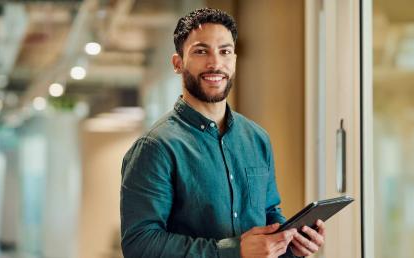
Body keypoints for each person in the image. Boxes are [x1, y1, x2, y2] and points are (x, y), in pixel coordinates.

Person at [120, 8, 325, 258]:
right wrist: (233, 251)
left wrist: (290, 243)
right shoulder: (155, 147)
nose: (215, 63)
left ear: (234, 60)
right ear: (178, 63)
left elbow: (270, 212)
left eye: (225, 51)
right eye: (201, 51)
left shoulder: (257, 138)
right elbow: (140, 244)